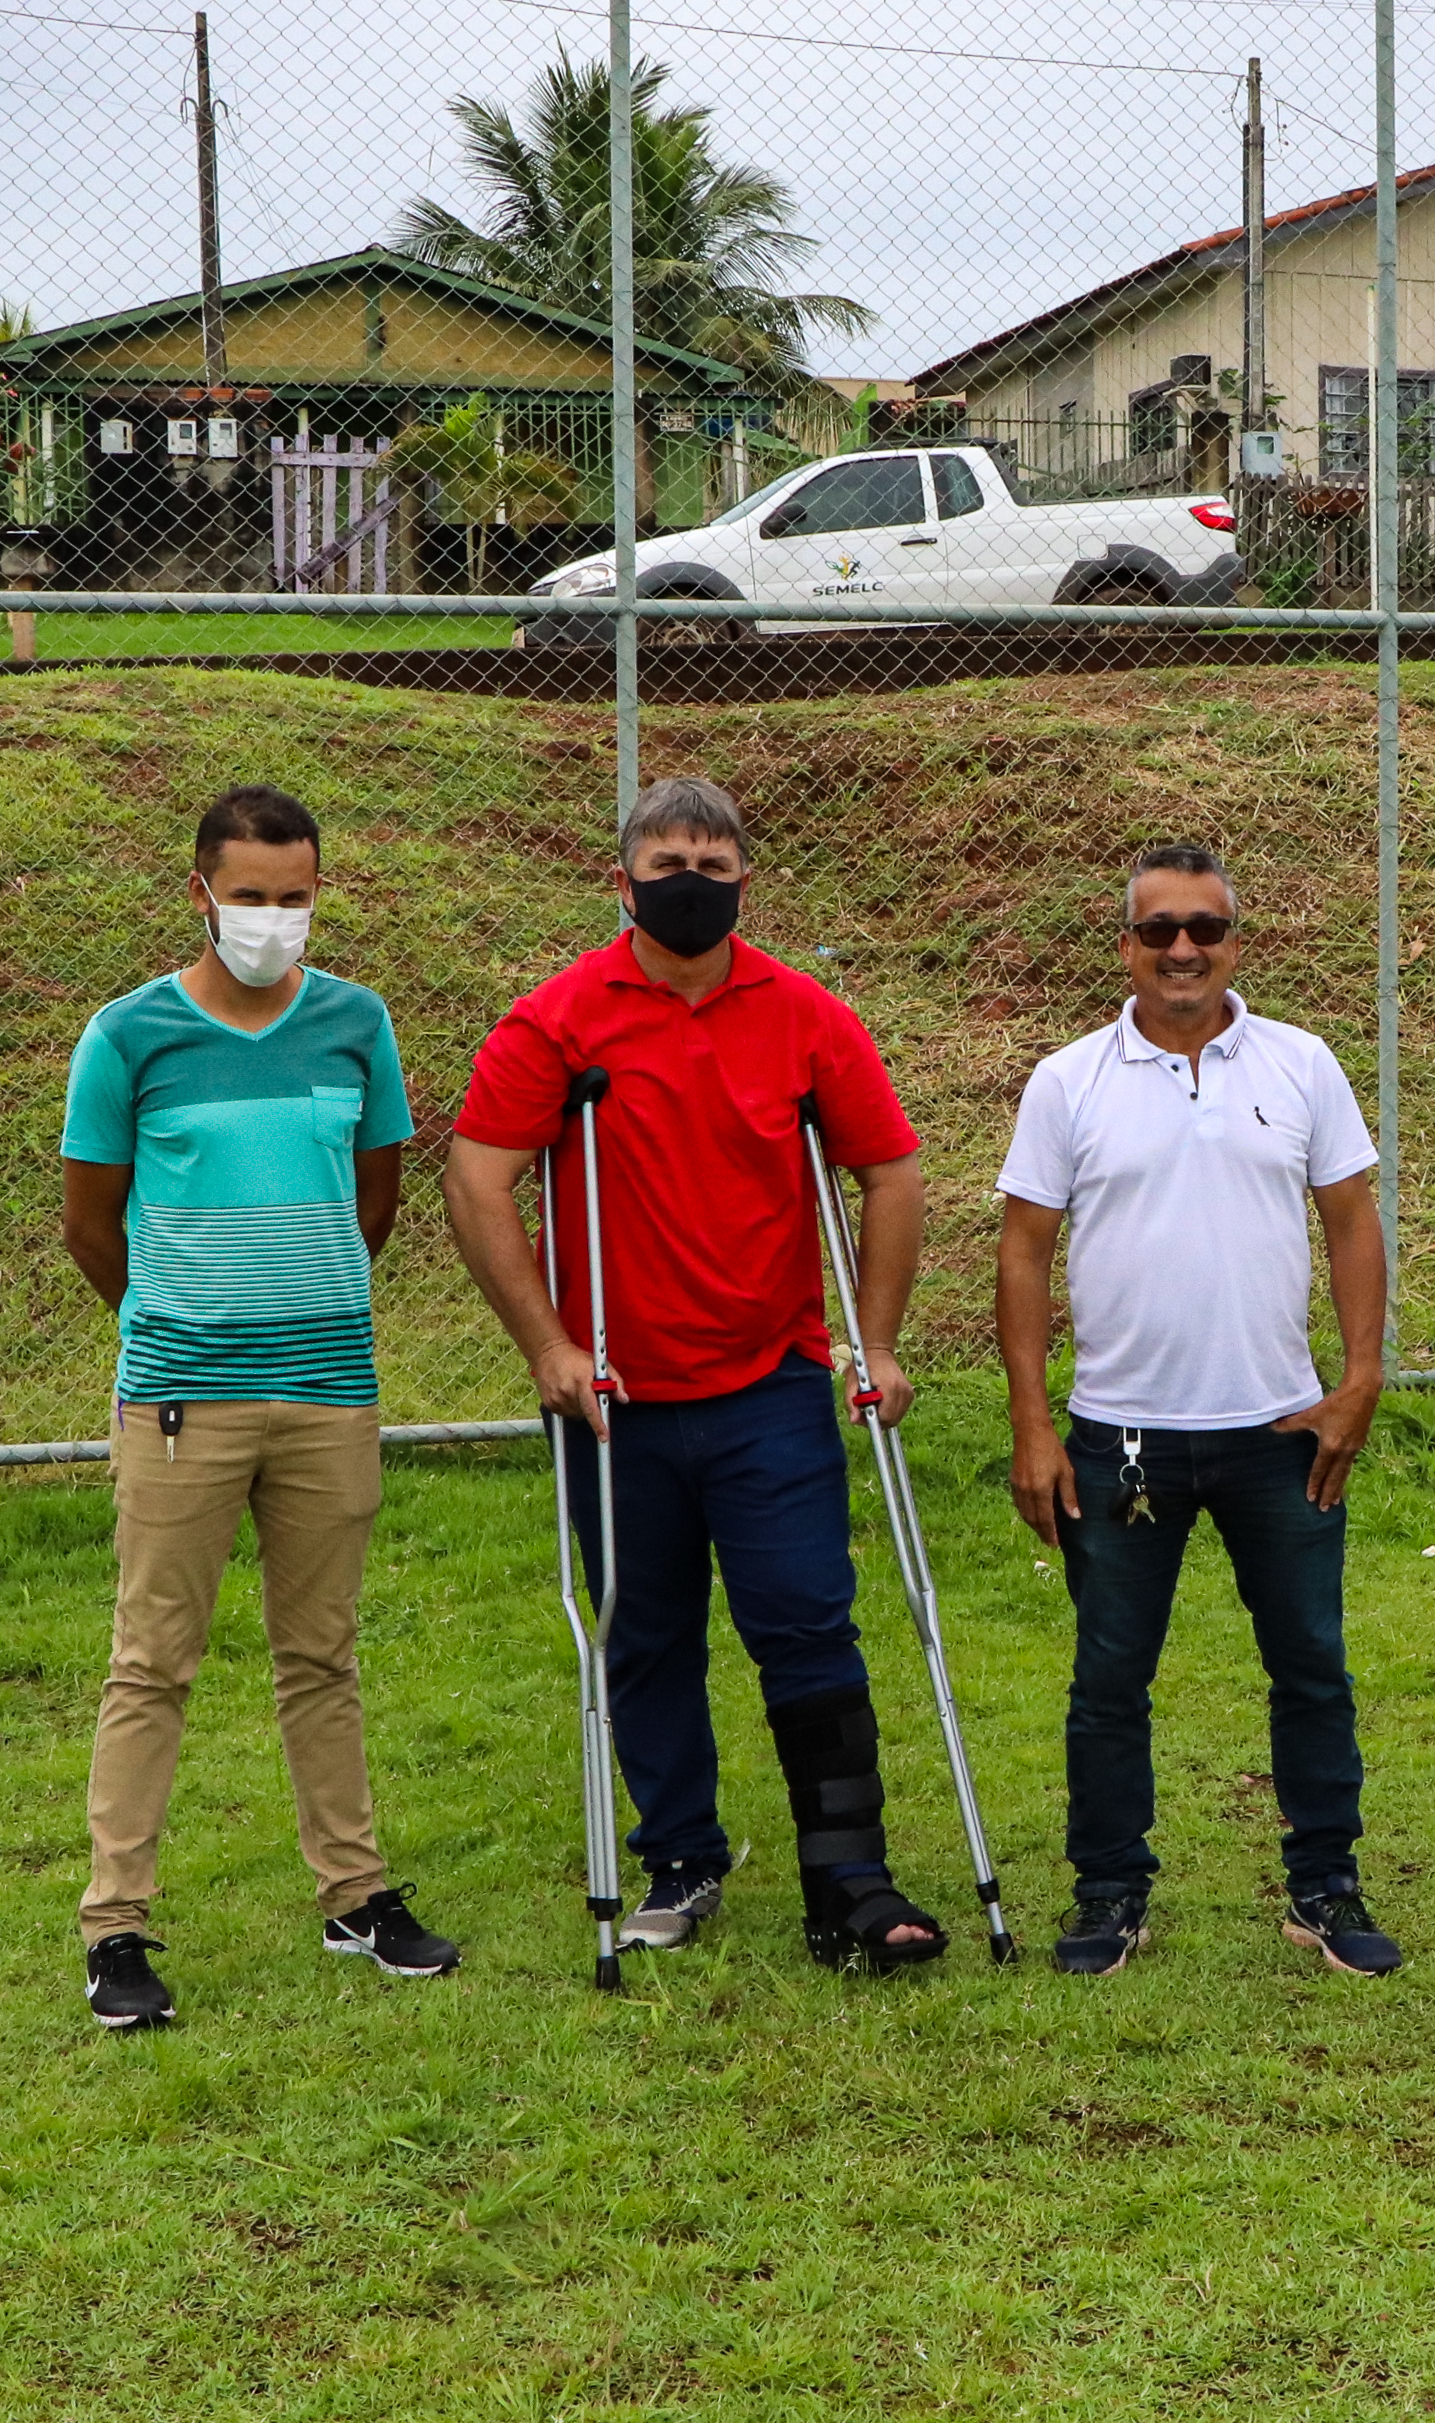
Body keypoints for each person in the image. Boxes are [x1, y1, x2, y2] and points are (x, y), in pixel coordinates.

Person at [441, 776, 952, 1971]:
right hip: (615, 1396)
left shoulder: (805, 1014)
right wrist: (549, 1347)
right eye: (667, 866)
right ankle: (681, 1857)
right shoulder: (557, 1021)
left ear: (744, 884)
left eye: (713, 869)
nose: (690, 887)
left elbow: (890, 1171)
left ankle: (849, 1875)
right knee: (643, 1630)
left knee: (806, 1623)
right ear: (621, 882)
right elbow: (476, 1176)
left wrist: (874, 1342)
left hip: (768, 1382)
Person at [60, 784, 461, 2032]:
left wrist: (301, 1305)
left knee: (322, 1654)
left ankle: (356, 1893)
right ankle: (115, 1926)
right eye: (249, 895)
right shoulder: (127, 1036)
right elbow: (90, 1224)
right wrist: (180, 1325)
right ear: (201, 893)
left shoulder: (357, 1023)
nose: (272, 918)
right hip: (182, 1399)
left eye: (294, 896)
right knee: (151, 1661)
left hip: (329, 1392)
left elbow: (376, 1199)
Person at [995, 844, 1401, 1980]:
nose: (1183, 949)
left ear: (1235, 941)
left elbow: (1351, 1220)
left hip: (1280, 1434)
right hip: (1119, 1436)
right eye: (1160, 929)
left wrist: (1360, 1378)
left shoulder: (1301, 1062)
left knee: (1311, 1665)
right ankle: (1108, 1889)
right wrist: (1033, 1423)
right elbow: (1023, 1252)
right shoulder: (1068, 1079)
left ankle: (1324, 1884)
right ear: (1125, 946)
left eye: (1205, 929)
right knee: (1109, 1679)